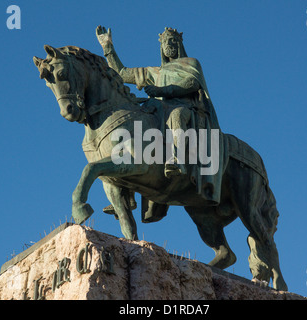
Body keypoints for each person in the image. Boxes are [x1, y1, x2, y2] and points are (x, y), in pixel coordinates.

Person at [96, 26, 225, 221]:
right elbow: (121, 73)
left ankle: (178, 160)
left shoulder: (191, 63)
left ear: (180, 44)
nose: (169, 46)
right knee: (133, 129)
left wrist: (163, 91)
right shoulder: (155, 71)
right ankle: (126, 193)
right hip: (159, 110)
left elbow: (192, 83)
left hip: (187, 110)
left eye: (173, 42)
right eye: (166, 43)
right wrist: (108, 47)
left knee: (176, 115)